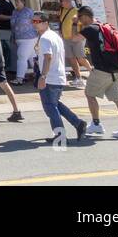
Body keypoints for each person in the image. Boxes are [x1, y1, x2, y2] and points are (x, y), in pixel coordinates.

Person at [76, 6, 118, 140]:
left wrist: (74, 24)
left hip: (101, 70)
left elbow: (74, 38)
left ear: (85, 17)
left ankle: (96, 124)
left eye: (80, 18)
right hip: (115, 70)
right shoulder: (103, 26)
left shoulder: (91, 29)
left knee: (89, 94)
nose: (79, 21)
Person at [33, 10, 88, 142]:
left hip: (51, 77)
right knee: (55, 104)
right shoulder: (54, 36)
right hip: (58, 76)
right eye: (33, 21)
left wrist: (43, 76)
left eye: (37, 22)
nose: (34, 24)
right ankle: (78, 123)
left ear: (45, 23)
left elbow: (48, 57)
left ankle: (60, 134)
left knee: (50, 107)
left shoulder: (46, 38)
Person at [58, 0, 89, 86]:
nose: (60, 3)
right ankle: (78, 78)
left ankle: (92, 72)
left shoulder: (77, 11)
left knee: (80, 58)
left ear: (67, 1)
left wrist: (81, 36)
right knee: (71, 59)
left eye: (61, 1)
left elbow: (84, 24)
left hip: (76, 39)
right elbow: (61, 22)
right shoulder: (62, 10)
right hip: (66, 38)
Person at [10, 0, 37, 84]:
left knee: (22, 57)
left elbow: (35, 22)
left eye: (18, 1)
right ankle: (39, 75)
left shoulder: (29, 11)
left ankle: (19, 78)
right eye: (15, 1)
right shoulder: (14, 12)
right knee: (32, 58)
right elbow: (13, 26)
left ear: (23, 2)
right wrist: (13, 37)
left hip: (29, 38)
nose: (16, 3)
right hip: (19, 38)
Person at [0, 0, 16, 70]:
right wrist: (12, 17)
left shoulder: (9, 1)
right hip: (4, 29)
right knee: (7, 49)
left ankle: (10, 67)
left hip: (11, 29)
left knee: (10, 49)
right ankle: (5, 68)